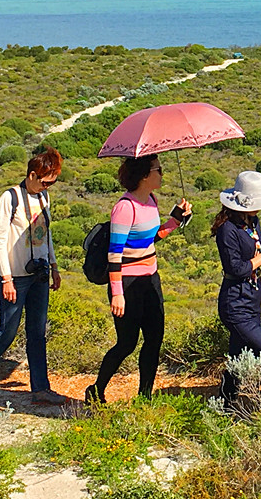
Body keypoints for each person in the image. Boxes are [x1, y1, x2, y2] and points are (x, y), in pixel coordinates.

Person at [85, 155, 191, 403]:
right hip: (128, 284)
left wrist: (176, 218)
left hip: (150, 279)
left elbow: (151, 239)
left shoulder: (151, 200)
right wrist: (117, 293)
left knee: (154, 340)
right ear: (145, 175)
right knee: (127, 343)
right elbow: (115, 254)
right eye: (158, 170)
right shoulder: (125, 207)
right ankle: (96, 389)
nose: (161, 174)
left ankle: (145, 397)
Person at [0, 147, 66, 405]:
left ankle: (40, 390)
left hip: (40, 274)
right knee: (6, 332)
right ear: (32, 175)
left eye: (52, 182)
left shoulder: (44, 198)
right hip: (17, 277)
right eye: (46, 181)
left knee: (37, 332)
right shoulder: (9, 198)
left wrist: (54, 267)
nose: (49, 187)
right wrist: (6, 279)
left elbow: (47, 235)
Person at [213, 171, 261, 409]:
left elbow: (256, 257)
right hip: (235, 302)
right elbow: (235, 268)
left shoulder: (251, 221)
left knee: (239, 354)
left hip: (252, 298)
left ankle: (224, 403)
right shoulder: (228, 230)